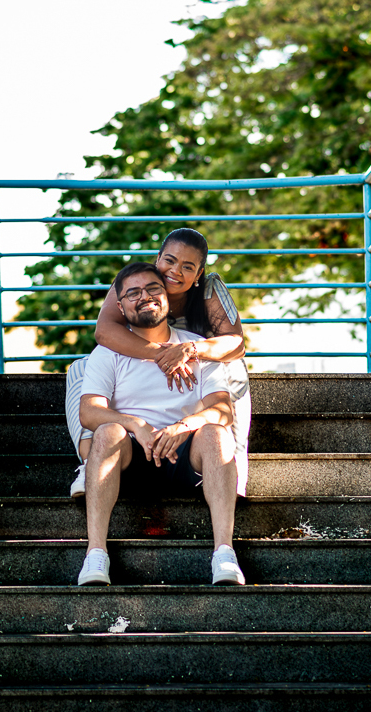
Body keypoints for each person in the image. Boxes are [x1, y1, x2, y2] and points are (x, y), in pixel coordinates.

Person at [76, 261, 244, 586]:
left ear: (166, 296)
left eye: (153, 288)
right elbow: (90, 412)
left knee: (216, 432)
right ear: (120, 306)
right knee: (108, 429)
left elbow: (222, 409)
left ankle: (224, 553)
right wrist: (134, 424)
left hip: (184, 459)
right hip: (128, 464)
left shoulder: (194, 347)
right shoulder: (108, 352)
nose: (145, 297)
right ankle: (96, 554)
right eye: (133, 293)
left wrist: (185, 426)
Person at [65, 228, 251, 498]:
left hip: (197, 377)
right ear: (157, 259)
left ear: (199, 274)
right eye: (170, 260)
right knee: (81, 368)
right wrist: (163, 355)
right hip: (143, 367)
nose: (175, 271)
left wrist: (188, 350)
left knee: (233, 367)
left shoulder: (209, 290)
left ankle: (231, 464)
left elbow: (236, 344)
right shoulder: (135, 281)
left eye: (188, 266)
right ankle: (90, 463)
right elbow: (104, 333)